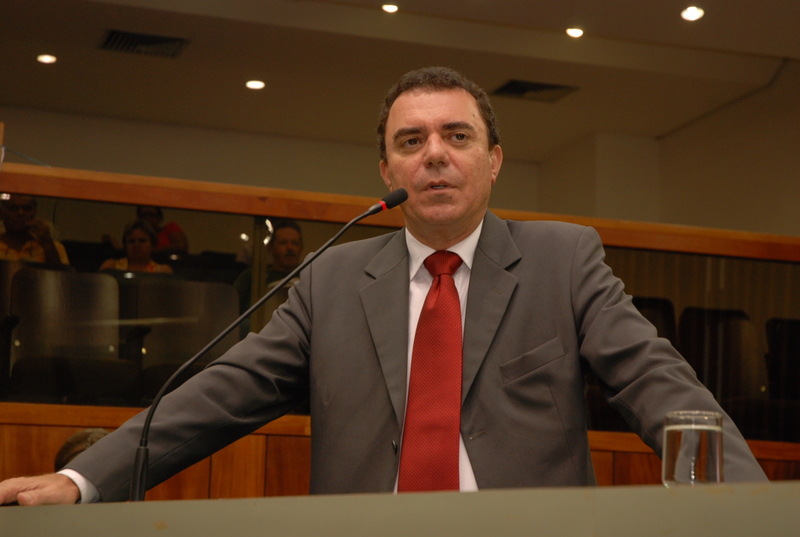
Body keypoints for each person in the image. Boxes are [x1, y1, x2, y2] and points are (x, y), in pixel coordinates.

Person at [0, 66, 768, 506]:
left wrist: (751, 509)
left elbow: (661, 386)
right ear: (386, 169)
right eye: (411, 140)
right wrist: (81, 478)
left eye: (457, 136)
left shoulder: (563, 260)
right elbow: (220, 394)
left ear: (494, 160)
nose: (434, 154)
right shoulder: (332, 278)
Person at [233, 219, 304, 333]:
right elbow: (230, 312)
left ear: (301, 248)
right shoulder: (253, 276)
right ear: (270, 247)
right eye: (283, 243)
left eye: (295, 243)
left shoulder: (308, 277)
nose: (290, 248)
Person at [0, 194, 69, 267]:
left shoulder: (55, 247)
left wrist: (47, 244)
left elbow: (61, 273)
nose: (21, 213)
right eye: (13, 208)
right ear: (2, 213)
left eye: (27, 208)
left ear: (34, 212)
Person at [99, 220, 173, 274]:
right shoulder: (111, 266)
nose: (136, 245)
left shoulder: (162, 271)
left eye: (142, 241)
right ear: (125, 245)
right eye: (131, 241)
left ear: (152, 244)